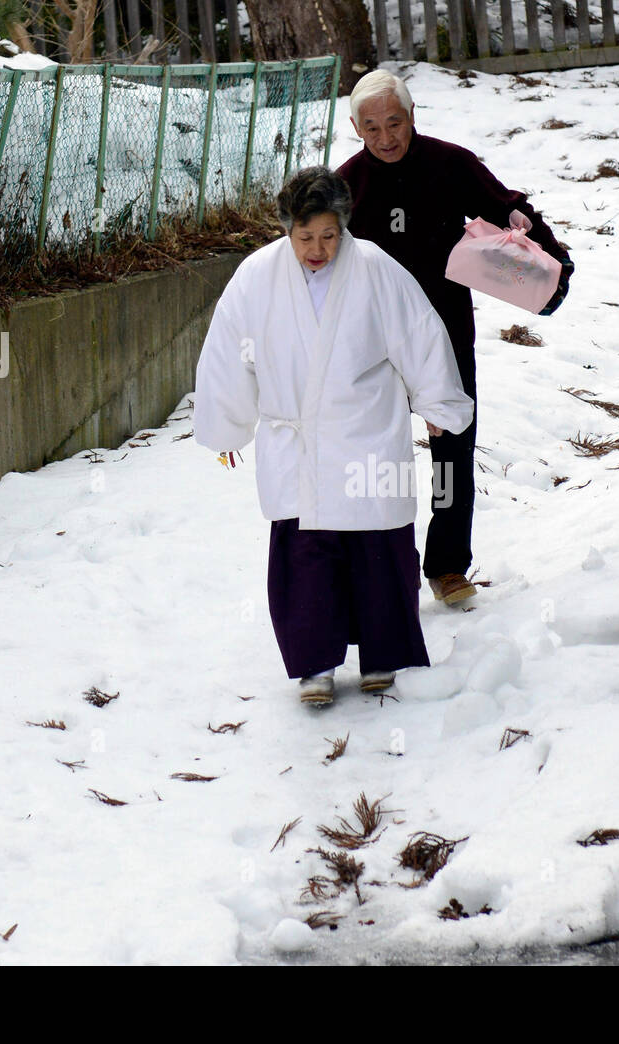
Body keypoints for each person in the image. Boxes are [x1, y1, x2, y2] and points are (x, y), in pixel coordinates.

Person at [193, 166, 474, 708]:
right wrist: (227, 425)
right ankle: (315, 664)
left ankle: (383, 656)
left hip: (365, 429)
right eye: (305, 238)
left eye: (329, 236)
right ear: (286, 230)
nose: (318, 249)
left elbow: (418, 333)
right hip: (293, 436)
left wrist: (435, 403)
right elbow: (229, 352)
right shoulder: (256, 277)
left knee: (376, 544)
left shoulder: (373, 268)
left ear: (344, 226)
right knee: (305, 549)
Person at [337, 69, 574, 607]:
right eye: (371, 127)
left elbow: (509, 209)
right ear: (356, 127)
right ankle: (380, 563)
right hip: (376, 339)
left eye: (394, 123)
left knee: (451, 446)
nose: (385, 137)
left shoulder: (450, 163)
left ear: (412, 115)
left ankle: (446, 565)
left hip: (444, 328)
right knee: (377, 451)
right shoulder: (346, 184)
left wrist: (552, 261)